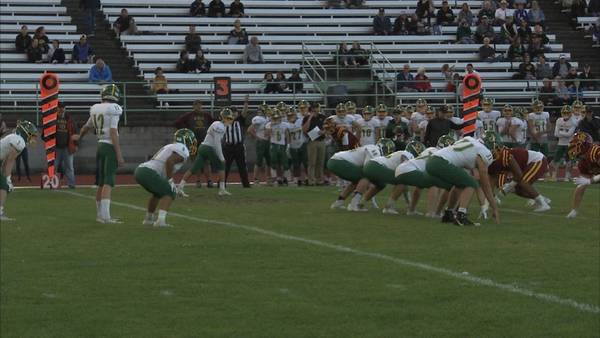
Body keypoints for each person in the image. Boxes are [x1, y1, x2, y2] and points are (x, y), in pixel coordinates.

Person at [72, 84, 124, 223]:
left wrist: (79, 137)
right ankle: (106, 217)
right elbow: (113, 132)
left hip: (100, 145)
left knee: (101, 182)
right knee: (108, 182)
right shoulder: (114, 109)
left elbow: (86, 127)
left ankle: (100, 215)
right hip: (109, 146)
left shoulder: (95, 108)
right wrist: (119, 154)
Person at [425, 136, 499, 225]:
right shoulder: (484, 152)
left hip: (431, 161)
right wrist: (494, 207)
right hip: (441, 162)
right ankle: (461, 216)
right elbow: (485, 183)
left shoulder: (469, 140)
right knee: (471, 183)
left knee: (460, 184)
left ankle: (448, 214)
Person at [135, 129, 196, 227]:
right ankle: (160, 221)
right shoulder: (182, 148)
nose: (192, 143)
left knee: (158, 193)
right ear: (186, 140)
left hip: (141, 170)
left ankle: (149, 219)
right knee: (169, 192)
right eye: (191, 140)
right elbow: (169, 161)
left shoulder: (171, 146)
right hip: (148, 171)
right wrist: (170, 180)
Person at [178, 108, 234, 196]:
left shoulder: (218, 124)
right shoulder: (220, 126)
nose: (229, 120)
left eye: (230, 118)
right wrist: (221, 157)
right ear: (223, 117)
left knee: (194, 168)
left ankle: (180, 187)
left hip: (203, 147)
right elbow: (216, 143)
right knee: (221, 165)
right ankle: (222, 189)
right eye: (228, 118)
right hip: (209, 148)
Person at [487, 138, 551, 212]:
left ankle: (544, 204)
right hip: (527, 165)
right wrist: (490, 199)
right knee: (518, 190)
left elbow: (519, 175)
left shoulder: (505, 155)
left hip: (537, 160)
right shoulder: (494, 160)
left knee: (523, 182)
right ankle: (542, 199)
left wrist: (508, 187)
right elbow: (492, 179)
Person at [346, 139, 407, 213]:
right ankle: (389, 207)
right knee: (401, 182)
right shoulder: (376, 151)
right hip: (373, 166)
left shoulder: (379, 151)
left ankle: (359, 204)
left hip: (371, 165)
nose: (388, 151)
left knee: (381, 184)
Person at [327, 143, 386, 210]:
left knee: (356, 181)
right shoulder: (375, 151)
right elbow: (367, 169)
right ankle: (354, 204)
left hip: (335, 160)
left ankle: (338, 203)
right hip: (339, 161)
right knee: (366, 177)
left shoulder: (370, 147)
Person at [0, 120, 38, 221]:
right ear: (26, 133)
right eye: (32, 135)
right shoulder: (19, 141)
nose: (33, 138)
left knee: (3, 185)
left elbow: (6, 160)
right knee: (4, 186)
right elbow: (10, 161)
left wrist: (4, 176)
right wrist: (8, 179)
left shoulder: (15, 138)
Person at [174, 100, 214, 188]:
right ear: (193, 106)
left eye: (200, 105)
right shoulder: (189, 116)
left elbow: (214, 124)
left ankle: (209, 181)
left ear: (202, 106)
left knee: (206, 162)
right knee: (196, 162)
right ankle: (198, 181)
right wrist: (185, 131)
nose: (198, 107)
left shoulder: (207, 115)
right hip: (193, 142)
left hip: (205, 142)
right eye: (196, 105)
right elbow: (177, 123)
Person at [565, 132, 600, 218]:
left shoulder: (595, 151)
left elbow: (590, 181)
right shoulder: (583, 163)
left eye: (575, 144)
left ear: (584, 144)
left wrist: (590, 181)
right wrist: (574, 210)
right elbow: (582, 185)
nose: (572, 147)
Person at [224, 102, 250, 188]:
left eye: (235, 112)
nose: (234, 113)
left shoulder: (239, 120)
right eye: (232, 111)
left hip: (239, 146)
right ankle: (222, 183)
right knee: (226, 166)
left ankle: (246, 184)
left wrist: (246, 103)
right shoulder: (225, 120)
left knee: (242, 166)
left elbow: (245, 112)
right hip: (229, 147)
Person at [265, 109, 291, 185]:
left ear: (280, 117)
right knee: (274, 162)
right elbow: (266, 134)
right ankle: (275, 178)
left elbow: (287, 135)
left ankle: (285, 178)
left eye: (277, 117)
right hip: (273, 144)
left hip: (282, 145)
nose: (276, 119)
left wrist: (288, 145)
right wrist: (271, 125)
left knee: (285, 163)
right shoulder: (269, 124)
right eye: (274, 117)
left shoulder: (285, 124)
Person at [247, 103, 271, 185]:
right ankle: (256, 179)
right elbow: (250, 129)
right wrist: (257, 137)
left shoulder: (267, 118)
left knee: (269, 161)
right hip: (261, 142)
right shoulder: (258, 119)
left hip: (268, 141)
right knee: (259, 161)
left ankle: (268, 178)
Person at [303, 103, 326, 186]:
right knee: (312, 162)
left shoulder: (323, 117)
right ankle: (311, 180)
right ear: (311, 109)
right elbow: (304, 130)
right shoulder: (306, 118)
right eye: (314, 108)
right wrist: (309, 118)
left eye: (317, 107)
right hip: (312, 141)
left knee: (320, 161)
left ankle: (319, 180)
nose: (316, 109)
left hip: (321, 141)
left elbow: (328, 127)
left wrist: (323, 131)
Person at [55, 102, 78, 188]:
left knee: (69, 167)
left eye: (62, 108)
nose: (61, 109)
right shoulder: (53, 118)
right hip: (56, 147)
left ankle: (71, 184)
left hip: (67, 147)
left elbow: (75, 132)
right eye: (60, 108)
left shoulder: (69, 119)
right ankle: (53, 184)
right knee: (54, 166)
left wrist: (75, 144)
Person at [553, 105, 577, 181]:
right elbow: (555, 134)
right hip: (560, 143)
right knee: (556, 160)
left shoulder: (573, 121)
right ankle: (554, 175)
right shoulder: (559, 120)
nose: (566, 114)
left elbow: (569, 134)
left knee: (569, 160)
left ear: (570, 113)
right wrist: (564, 133)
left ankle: (567, 176)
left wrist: (561, 132)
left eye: (567, 112)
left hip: (569, 144)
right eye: (564, 112)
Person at [286, 109, 309, 185]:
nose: (291, 117)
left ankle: (307, 178)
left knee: (306, 162)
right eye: (289, 115)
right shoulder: (286, 124)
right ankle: (297, 179)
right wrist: (288, 145)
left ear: (296, 115)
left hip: (302, 143)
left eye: (292, 115)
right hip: (292, 145)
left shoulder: (301, 121)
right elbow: (287, 135)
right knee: (296, 163)